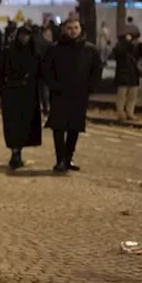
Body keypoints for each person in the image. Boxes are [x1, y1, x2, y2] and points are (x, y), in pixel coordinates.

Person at [41, 17, 102, 172]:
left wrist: (89, 88)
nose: (73, 31)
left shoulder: (90, 50)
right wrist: (53, 85)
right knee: (59, 127)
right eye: (69, 28)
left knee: (75, 127)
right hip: (60, 94)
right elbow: (46, 70)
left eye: (75, 27)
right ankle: (60, 159)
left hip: (79, 94)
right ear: (64, 30)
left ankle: (68, 158)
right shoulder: (55, 48)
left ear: (80, 29)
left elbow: (96, 70)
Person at [0, 25, 44, 170]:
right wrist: (4, 90)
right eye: (22, 35)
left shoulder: (34, 53)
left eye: (27, 35)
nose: (24, 38)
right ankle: (15, 152)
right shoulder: (9, 51)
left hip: (28, 95)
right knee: (13, 124)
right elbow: (0, 73)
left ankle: (18, 152)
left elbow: (40, 73)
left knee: (25, 125)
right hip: (12, 93)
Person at [111, 29, 142, 121]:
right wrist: (127, 42)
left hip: (133, 74)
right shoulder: (119, 47)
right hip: (123, 75)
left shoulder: (138, 46)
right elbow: (117, 54)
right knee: (121, 96)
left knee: (132, 96)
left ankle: (130, 113)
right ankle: (121, 113)